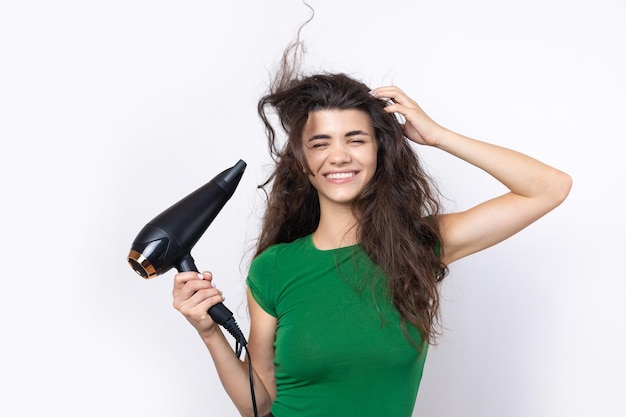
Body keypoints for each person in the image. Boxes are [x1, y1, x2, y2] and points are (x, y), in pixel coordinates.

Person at [171, 41, 572, 417]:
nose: (339, 155)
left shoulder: (418, 248)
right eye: (320, 143)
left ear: (380, 151)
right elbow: (258, 406)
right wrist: (209, 331)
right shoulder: (274, 268)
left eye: (356, 139)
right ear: (303, 163)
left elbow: (549, 188)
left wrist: (437, 136)